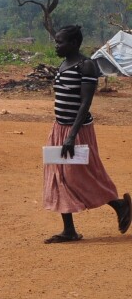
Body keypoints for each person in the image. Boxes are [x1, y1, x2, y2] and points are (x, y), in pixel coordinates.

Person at [42, 25, 131, 243]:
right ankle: (69, 230)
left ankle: (119, 204)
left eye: (60, 42)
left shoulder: (87, 66)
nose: (56, 46)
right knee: (59, 176)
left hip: (77, 130)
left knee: (80, 175)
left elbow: (85, 103)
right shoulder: (64, 64)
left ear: (73, 44)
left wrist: (71, 135)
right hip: (60, 127)